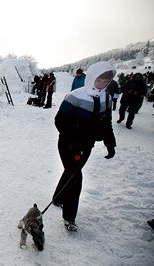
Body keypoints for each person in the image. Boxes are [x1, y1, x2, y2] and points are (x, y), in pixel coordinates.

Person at [51, 61, 117, 232]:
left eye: (106, 81)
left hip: (87, 145)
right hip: (68, 143)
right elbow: (60, 121)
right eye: (99, 80)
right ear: (92, 77)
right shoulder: (75, 96)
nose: (102, 84)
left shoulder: (107, 98)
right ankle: (69, 217)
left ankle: (58, 198)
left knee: (71, 172)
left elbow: (106, 123)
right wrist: (72, 140)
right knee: (76, 176)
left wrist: (110, 143)